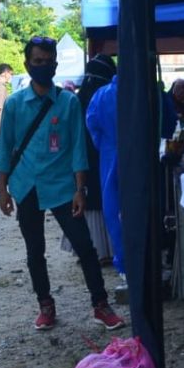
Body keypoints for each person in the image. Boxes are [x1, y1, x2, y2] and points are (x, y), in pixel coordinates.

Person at [0, 36, 125, 332]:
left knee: (85, 247)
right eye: (37, 61)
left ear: (55, 64)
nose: (43, 66)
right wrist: (2, 190)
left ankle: (100, 305)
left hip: (63, 187)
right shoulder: (15, 104)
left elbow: (78, 148)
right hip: (26, 186)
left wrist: (80, 189)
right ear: (27, 65)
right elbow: (5, 149)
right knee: (34, 251)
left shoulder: (68, 102)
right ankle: (45, 305)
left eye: (48, 61)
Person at [72, 54, 117, 263]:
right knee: (104, 199)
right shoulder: (106, 95)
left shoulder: (79, 98)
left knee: (88, 198)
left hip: (84, 155)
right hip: (103, 154)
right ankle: (106, 247)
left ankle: (89, 248)